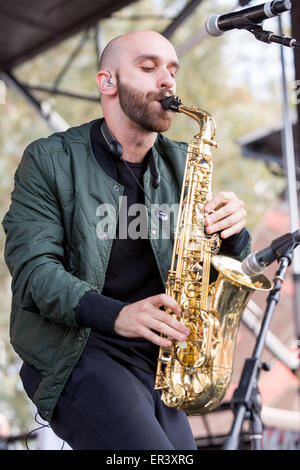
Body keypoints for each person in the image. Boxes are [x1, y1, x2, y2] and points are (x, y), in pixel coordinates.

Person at [2, 30, 250, 450]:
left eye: (172, 70)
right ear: (107, 82)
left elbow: (203, 275)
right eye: (149, 67)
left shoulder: (183, 163)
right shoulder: (49, 159)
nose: (168, 80)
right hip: (77, 353)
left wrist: (232, 237)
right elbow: (34, 273)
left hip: (159, 366)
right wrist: (118, 315)